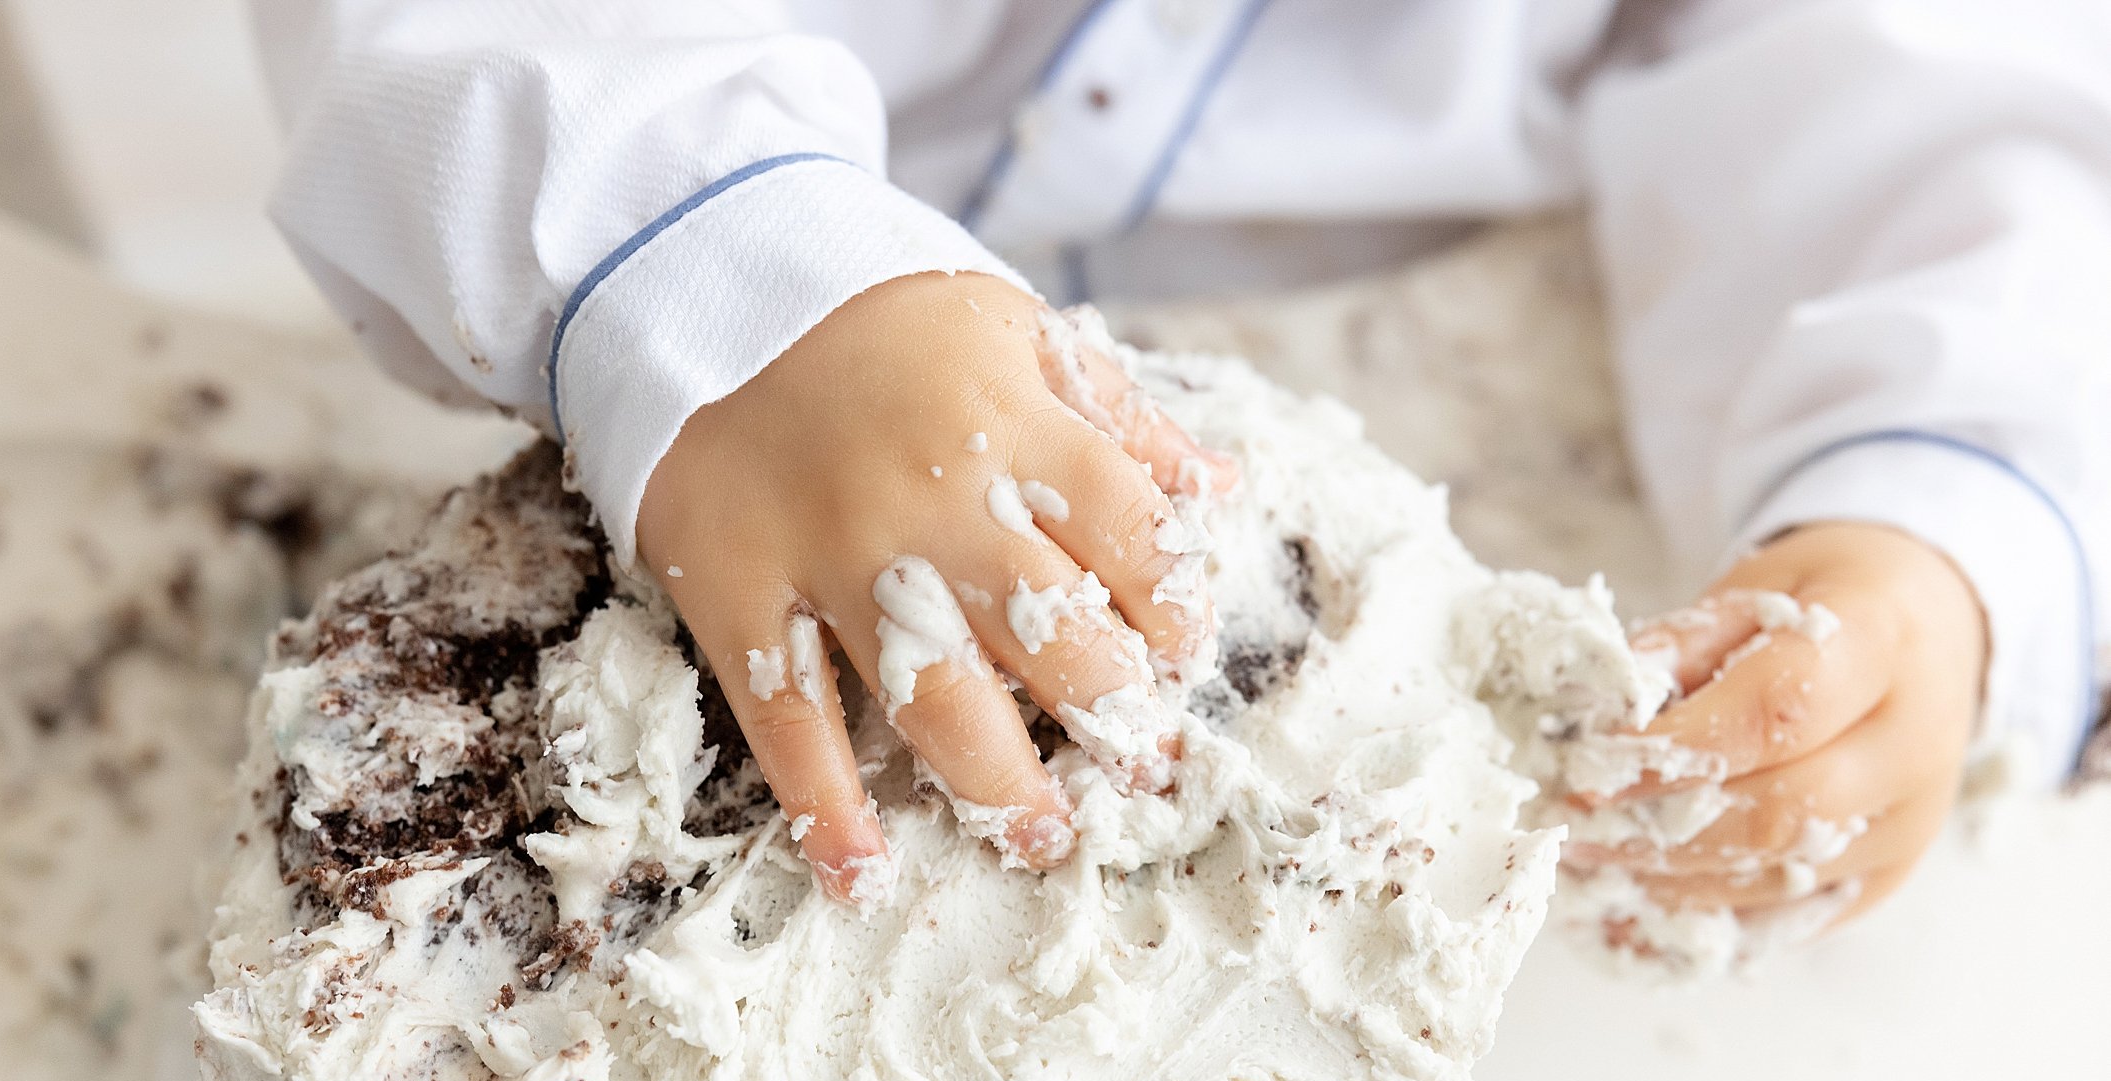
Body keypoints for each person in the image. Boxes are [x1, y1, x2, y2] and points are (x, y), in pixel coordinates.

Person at [247, 0, 2110, 923]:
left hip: (1415, 391)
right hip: (587, 306)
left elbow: (1934, 67)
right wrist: (699, 242)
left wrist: (1941, 509)